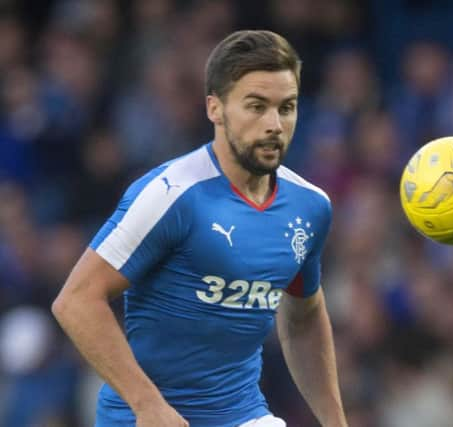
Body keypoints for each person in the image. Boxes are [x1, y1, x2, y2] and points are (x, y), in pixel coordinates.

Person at [52, 30, 348, 427]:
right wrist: (147, 405)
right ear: (215, 108)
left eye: (287, 107)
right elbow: (75, 300)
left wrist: (335, 422)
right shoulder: (171, 195)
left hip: (243, 415)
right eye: (256, 106)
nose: (275, 124)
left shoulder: (310, 206)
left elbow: (304, 318)